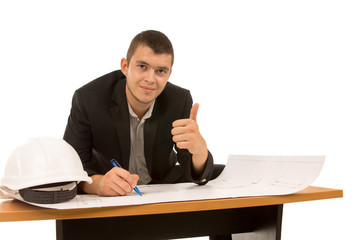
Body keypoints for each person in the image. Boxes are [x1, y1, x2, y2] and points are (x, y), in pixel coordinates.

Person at [63, 30, 222, 197]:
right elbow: (69, 166)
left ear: (169, 74)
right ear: (125, 66)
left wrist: (200, 151)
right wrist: (97, 184)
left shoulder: (179, 100)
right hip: (110, 191)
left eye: (160, 71)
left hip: (161, 186)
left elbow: (194, 171)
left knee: (225, 177)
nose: (150, 79)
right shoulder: (88, 98)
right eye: (142, 67)